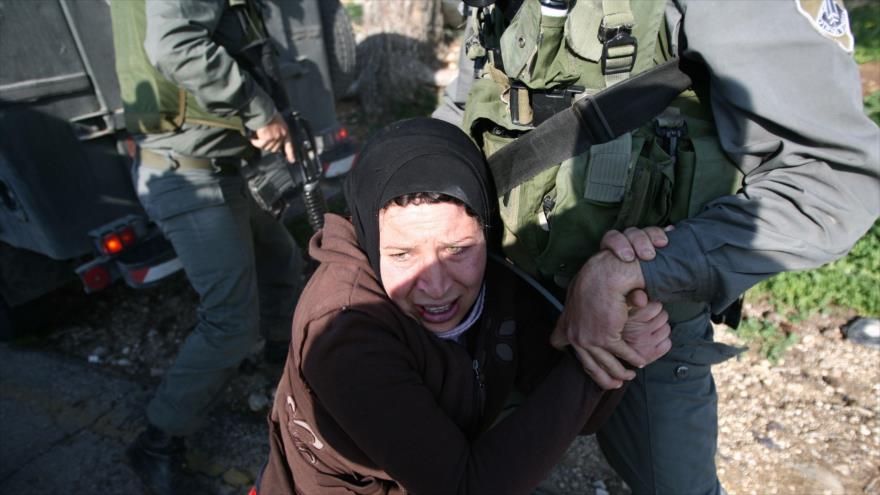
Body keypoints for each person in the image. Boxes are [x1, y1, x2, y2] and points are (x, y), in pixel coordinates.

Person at [434, 1, 880, 493]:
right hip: (498, 291)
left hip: (645, 324)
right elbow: (471, 101)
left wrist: (641, 271)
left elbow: (833, 182)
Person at [257, 117, 672, 494]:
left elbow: (579, 417)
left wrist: (614, 338)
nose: (435, 287)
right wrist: (589, 366)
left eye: (456, 249)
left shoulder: (498, 277)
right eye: (402, 254)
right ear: (369, 239)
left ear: (485, 232)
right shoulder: (345, 332)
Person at [109, 0, 304, 491]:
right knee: (230, 325)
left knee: (281, 261)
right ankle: (157, 442)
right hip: (187, 174)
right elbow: (173, 42)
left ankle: (284, 375)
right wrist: (259, 111)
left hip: (221, 167)